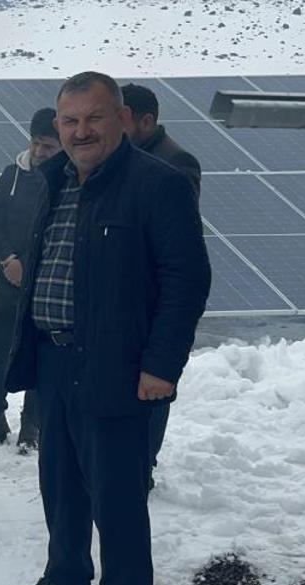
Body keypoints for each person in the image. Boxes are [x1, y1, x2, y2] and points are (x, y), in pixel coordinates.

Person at [0, 72, 211, 585]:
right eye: (70, 121)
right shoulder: (53, 180)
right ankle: (65, 580)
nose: (80, 131)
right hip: (54, 358)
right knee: (59, 484)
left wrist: (162, 365)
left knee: (116, 501)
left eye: (93, 118)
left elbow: (187, 281)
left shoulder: (157, 185)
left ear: (120, 118)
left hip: (119, 367)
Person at [121, 82, 204, 488]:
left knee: (151, 391)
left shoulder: (175, 164)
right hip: (126, 302)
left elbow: (178, 255)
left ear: (146, 121)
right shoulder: (122, 159)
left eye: (120, 120)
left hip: (151, 303)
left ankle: (141, 468)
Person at [0, 108, 60, 454]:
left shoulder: (66, 179)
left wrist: (36, 269)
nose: (38, 152)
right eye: (35, 144)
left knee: (37, 351)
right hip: (8, 278)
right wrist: (7, 260)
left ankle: (31, 424)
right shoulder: (12, 175)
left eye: (47, 146)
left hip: (45, 283)